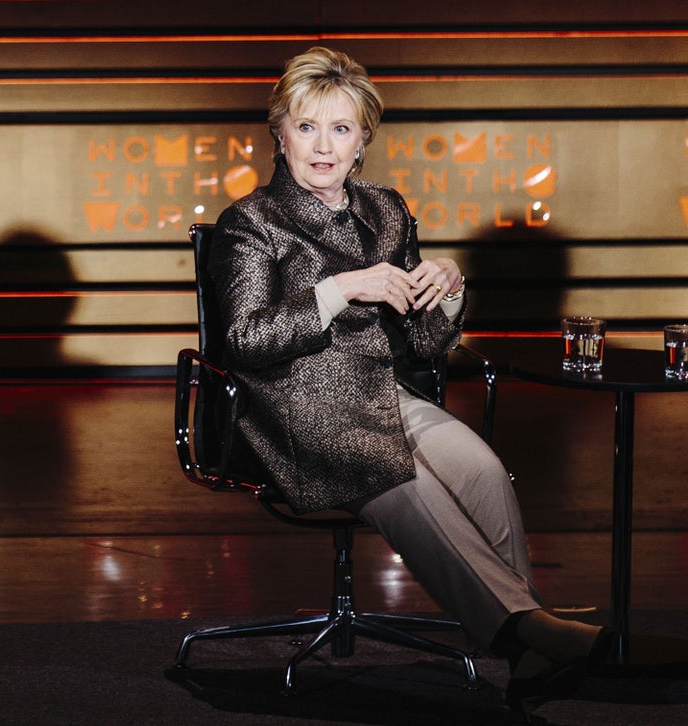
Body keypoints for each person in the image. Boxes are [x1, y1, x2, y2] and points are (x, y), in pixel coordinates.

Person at [208, 46, 616, 714]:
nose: (322, 145)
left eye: (340, 128)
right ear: (278, 134)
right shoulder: (252, 222)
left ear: (363, 138)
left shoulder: (387, 212)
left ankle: (528, 647)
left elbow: (426, 344)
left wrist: (448, 292)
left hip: (383, 394)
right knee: (396, 471)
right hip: (292, 407)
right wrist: (340, 288)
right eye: (306, 126)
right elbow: (245, 341)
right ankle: (527, 630)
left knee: (481, 469)